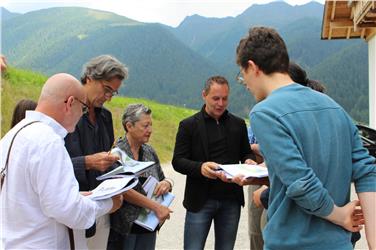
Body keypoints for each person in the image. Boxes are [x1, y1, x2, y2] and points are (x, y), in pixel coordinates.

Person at [235, 26, 376, 249]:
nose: (247, 85)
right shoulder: (335, 108)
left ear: (252, 67)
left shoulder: (265, 112)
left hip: (292, 243)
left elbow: (300, 183)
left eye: (242, 76)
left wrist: (339, 214)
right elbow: (367, 171)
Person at [0, 73, 122, 249]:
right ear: (70, 103)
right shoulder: (48, 141)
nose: (82, 114)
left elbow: (29, 195)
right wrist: (108, 204)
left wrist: (76, 196)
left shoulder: (12, 136)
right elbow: (69, 211)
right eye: (83, 108)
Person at [172, 75, 256, 250]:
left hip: (231, 199)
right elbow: (177, 161)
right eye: (215, 98)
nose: (220, 103)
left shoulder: (238, 124)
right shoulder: (188, 125)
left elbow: (246, 152)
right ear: (204, 95)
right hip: (200, 199)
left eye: (225, 99)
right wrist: (200, 167)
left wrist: (249, 161)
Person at [64, 55, 128, 249]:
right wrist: (87, 162)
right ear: (90, 78)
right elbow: (53, 165)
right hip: (74, 209)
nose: (108, 97)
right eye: (107, 89)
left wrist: (124, 170)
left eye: (113, 93)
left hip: (103, 207)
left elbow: (106, 156)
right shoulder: (66, 111)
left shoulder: (106, 117)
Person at [108, 103, 173, 250]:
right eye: (145, 126)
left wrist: (167, 184)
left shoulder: (149, 151)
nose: (150, 130)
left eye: (151, 125)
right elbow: (123, 190)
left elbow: (162, 178)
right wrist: (156, 207)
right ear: (129, 126)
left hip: (148, 225)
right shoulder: (116, 153)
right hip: (124, 228)